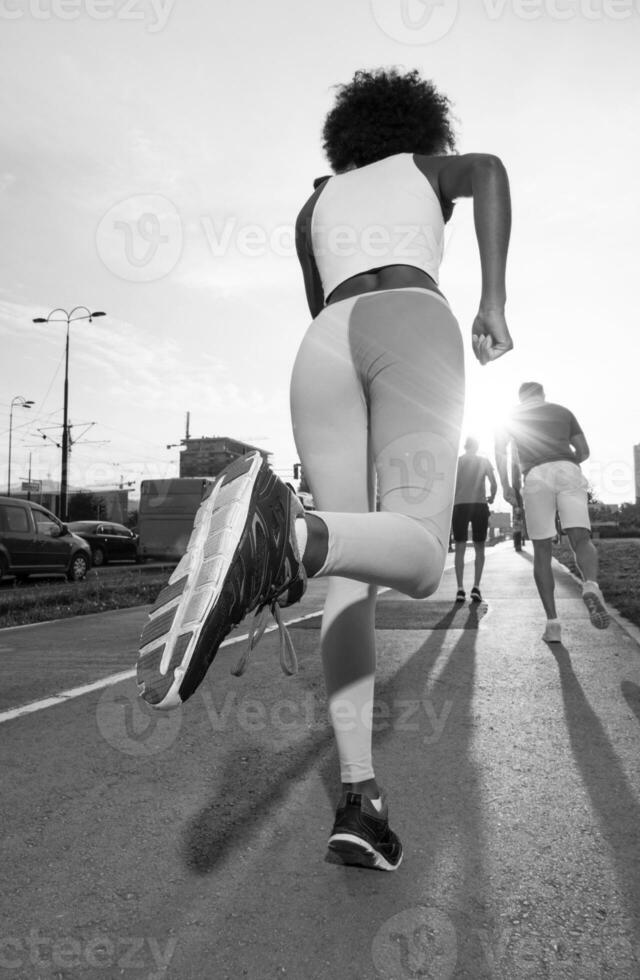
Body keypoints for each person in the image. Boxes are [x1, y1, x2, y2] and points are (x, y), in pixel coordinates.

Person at [137, 68, 513, 871]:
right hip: (409, 317)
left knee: (352, 573)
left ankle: (361, 798)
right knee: (418, 555)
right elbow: (489, 172)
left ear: (345, 138)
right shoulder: (424, 166)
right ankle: (284, 535)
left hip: (322, 346)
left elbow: (321, 303)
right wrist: (493, 301)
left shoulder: (316, 204)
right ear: (420, 128)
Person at [495, 382, 609, 643]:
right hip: (567, 469)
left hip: (535, 476)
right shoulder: (562, 411)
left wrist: (506, 486)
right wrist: (565, 462)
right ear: (542, 395)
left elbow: (500, 453)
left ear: (521, 398)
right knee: (581, 539)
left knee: (542, 551)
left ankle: (553, 624)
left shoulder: (511, 417)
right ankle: (590, 585)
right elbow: (584, 451)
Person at [451, 436, 497, 602]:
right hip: (479, 505)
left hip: (460, 506)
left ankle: (460, 589)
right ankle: (476, 587)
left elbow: (450, 484)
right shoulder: (484, 461)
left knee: (460, 548)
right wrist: (492, 497)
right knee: (479, 548)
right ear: (477, 447)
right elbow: (493, 483)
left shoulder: (457, 462)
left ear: (465, 446)